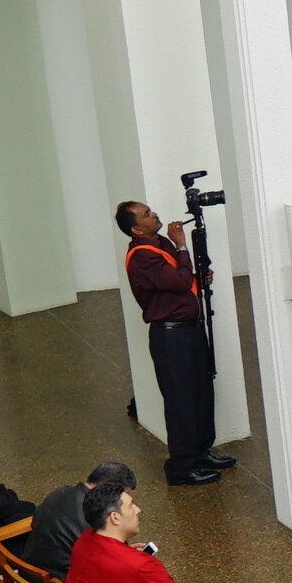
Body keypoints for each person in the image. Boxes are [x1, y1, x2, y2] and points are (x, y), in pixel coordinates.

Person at [114, 198, 226, 487]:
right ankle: (181, 466)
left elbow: (180, 280)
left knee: (201, 391)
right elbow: (176, 281)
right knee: (181, 400)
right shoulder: (142, 255)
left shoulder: (160, 242)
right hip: (170, 336)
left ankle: (202, 451)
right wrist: (183, 246)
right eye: (147, 214)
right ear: (137, 229)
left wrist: (198, 278)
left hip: (189, 329)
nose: (155, 215)